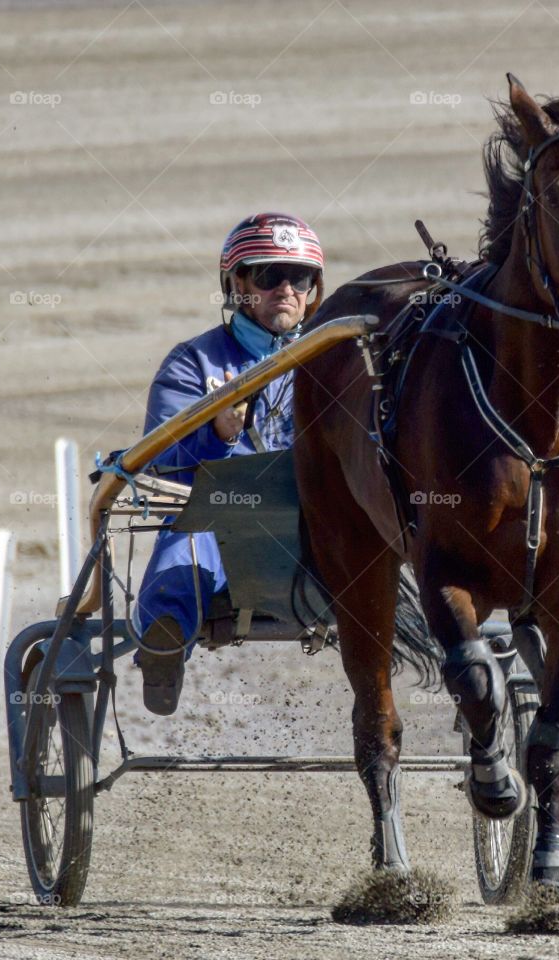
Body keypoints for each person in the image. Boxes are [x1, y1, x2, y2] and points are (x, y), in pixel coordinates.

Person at [134, 212, 324, 715]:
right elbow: (160, 464)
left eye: (299, 278)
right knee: (190, 532)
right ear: (238, 284)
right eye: (270, 275)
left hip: (322, 529)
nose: (286, 289)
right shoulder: (192, 363)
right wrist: (218, 434)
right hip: (225, 531)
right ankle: (164, 644)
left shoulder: (336, 360)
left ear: (313, 290)